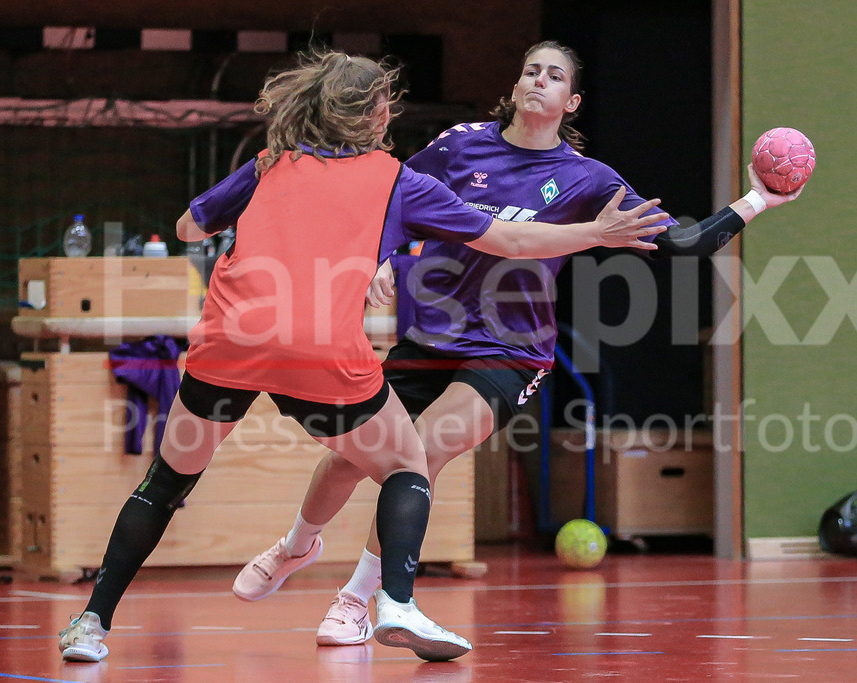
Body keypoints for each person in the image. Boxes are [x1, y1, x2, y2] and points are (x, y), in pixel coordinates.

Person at [55, 47, 667, 665]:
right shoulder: (396, 179)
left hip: (229, 347)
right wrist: (596, 234)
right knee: (407, 463)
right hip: (318, 355)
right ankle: (393, 603)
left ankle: (90, 623)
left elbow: (189, 228)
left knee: (164, 485)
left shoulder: (270, 161)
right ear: (376, 118)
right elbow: (509, 238)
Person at [232, 40, 802, 646]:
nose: (539, 80)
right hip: (427, 337)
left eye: (554, 76)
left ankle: (358, 599)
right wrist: (381, 257)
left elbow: (684, 244)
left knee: (420, 452)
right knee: (348, 454)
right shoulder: (459, 145)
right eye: (531, 70)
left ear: (570, 100)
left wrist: (759, 200)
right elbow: (384, 200)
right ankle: (297, 546)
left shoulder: (588, 181)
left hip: (508, 351)